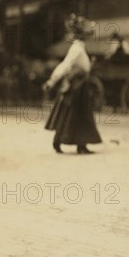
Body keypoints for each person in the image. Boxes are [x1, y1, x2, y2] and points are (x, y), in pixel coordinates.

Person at [43, 14, 102, 154]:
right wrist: (52, 81)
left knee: (73, 115)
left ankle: (73, 144)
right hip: (77, 87)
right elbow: (65, 65)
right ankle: (70, 144)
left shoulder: (80, 48)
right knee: (76, 116)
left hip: (80, 85)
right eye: (86, 34)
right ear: (81, 35)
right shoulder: (77, 49)